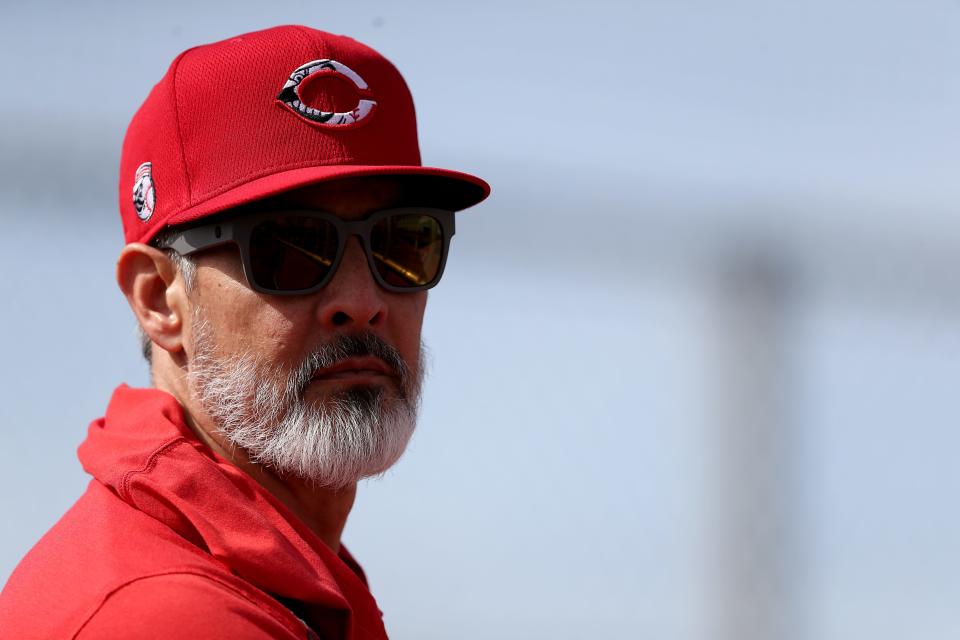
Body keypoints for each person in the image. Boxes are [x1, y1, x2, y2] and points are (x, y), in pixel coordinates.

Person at [0, 25, 489, 639]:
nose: (363, 303)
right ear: (159, 300)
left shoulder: (267, 582)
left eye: (403, 244)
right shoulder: (170, 616)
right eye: (291, 248)